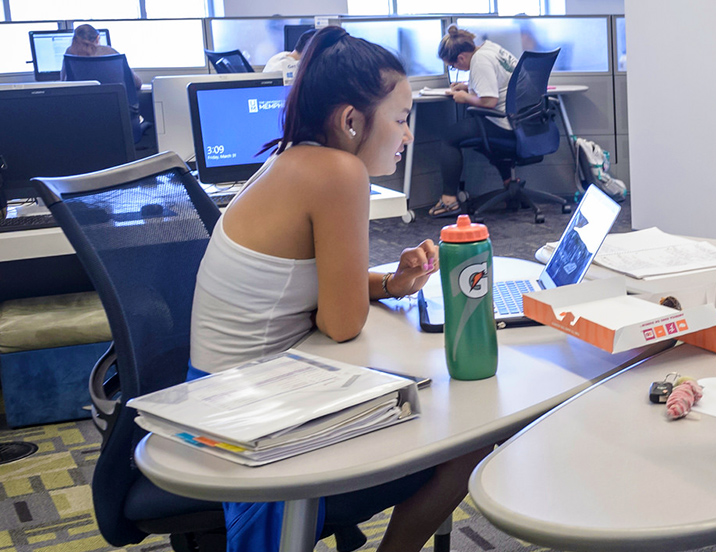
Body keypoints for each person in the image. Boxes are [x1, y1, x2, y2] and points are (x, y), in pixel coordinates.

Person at [189, 26, 488, 552]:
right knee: (470, 433)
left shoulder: (294, 159)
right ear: (351, 121)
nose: (408, 134)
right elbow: (341, 323)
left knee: (432, 399)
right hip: (249, 427)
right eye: (401, 119)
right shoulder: (337, 173)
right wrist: (369, 292)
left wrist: (392, 283)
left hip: (224, 395)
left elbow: (304, 291)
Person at [429, 25, 520, 217]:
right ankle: (510, 187)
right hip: (522, 122)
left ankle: (449, 201)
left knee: (449, 137)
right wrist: (469, 85)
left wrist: (465, 97)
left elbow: (489, 101)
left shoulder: (479, 61)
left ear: (461, 58)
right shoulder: (490, 48)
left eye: (453, 66)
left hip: (504, 123)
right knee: (476, 127)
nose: (455, 69)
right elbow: (499, 80)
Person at [63, 24, 140, 88]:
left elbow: (64, 82)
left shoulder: (70, 53)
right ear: (97, 38)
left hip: (80, 104)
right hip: (114, 103)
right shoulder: (110, 52)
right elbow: (137, 84)